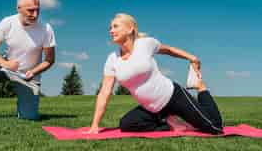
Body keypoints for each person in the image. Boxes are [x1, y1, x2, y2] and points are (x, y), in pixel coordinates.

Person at [87, 13, 223, 134]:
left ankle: (202, 88)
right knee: (127, 124)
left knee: (214, 127)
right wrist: (94, 125)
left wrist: (192, 58)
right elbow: (104, 93)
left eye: (115, 26)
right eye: (110, 28)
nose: (111, 31)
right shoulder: (112, 59)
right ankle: (170, 123)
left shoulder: (145, 44)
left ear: (130, 29)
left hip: (173, 97)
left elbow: (169, 50)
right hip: (154, 109)